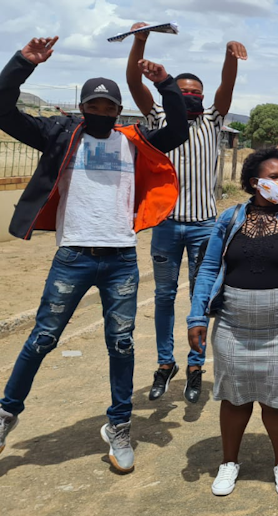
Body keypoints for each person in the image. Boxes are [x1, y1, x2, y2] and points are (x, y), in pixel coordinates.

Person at [0, 37, 188, 472]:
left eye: (108, 108)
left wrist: (167, 85)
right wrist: (22, 64)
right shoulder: (58, 133)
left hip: (121, 257)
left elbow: (178, 129)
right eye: (94, 106)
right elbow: (3, 109)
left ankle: (119, 426)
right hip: (74, 254)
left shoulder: (134, 140)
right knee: (43, 338)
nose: (101, 114)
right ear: (83, 107)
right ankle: (7, 414)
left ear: (118, 110)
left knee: (121, 344)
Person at [187, 148, 278, 497]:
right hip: (233, 324)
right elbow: (208, 268)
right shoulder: (229, 219)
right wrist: (197, 315)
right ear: (254, 181)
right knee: (234, 397)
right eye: (274, 177)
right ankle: (229, 463)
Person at [126, 22, 248, 405]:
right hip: (165, 224)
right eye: (184, 92)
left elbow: (226, 88)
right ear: (172, 95)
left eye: (196, 91)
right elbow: (133, 83)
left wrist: (230, 57)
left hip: (204, 226)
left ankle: (196, 366)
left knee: (200, 298)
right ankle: (166, 363)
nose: (191, 96)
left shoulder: (213, 120)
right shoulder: (159, 120)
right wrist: (139, 42)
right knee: (164, 296)